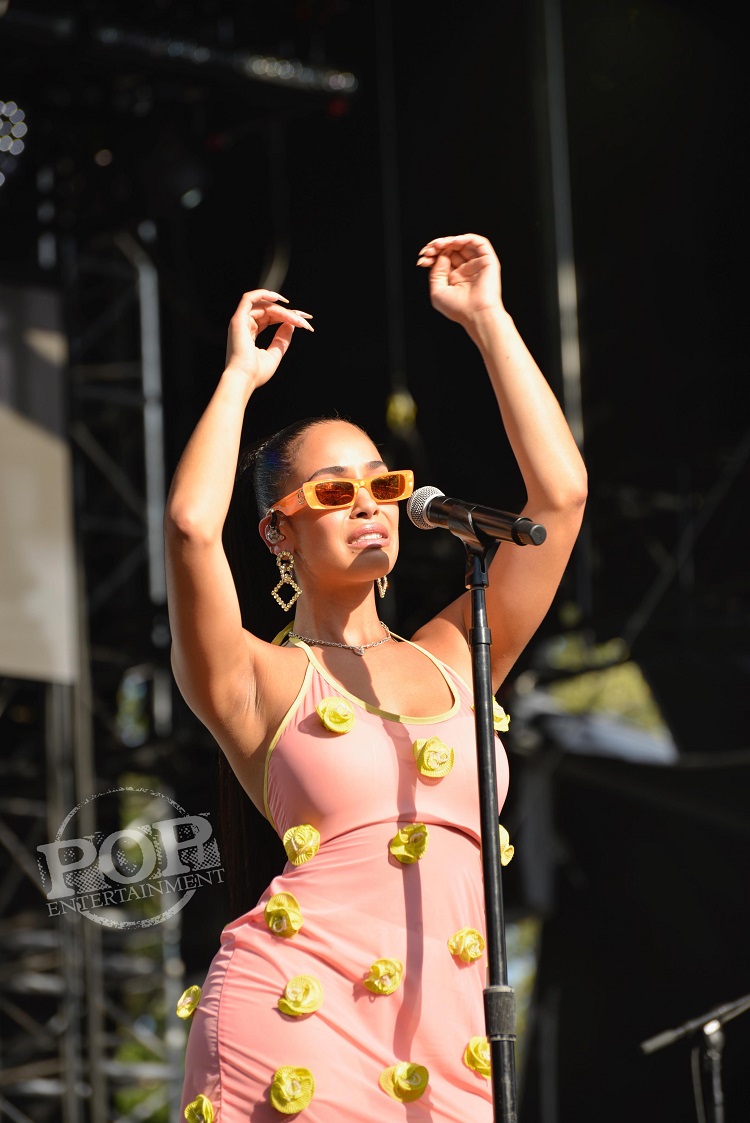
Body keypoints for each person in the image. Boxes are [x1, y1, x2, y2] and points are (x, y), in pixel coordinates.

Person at [165, 233, 587, 1122]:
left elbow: (559, 500)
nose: (367, 504)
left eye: (383, 485)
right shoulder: (258, 678)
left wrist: (487, 319)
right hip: (300, 1022)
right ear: (278, 532)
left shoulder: (458, 650)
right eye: (331, 492)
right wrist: (239, 377)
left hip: (453, 1041)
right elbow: (192, 529)